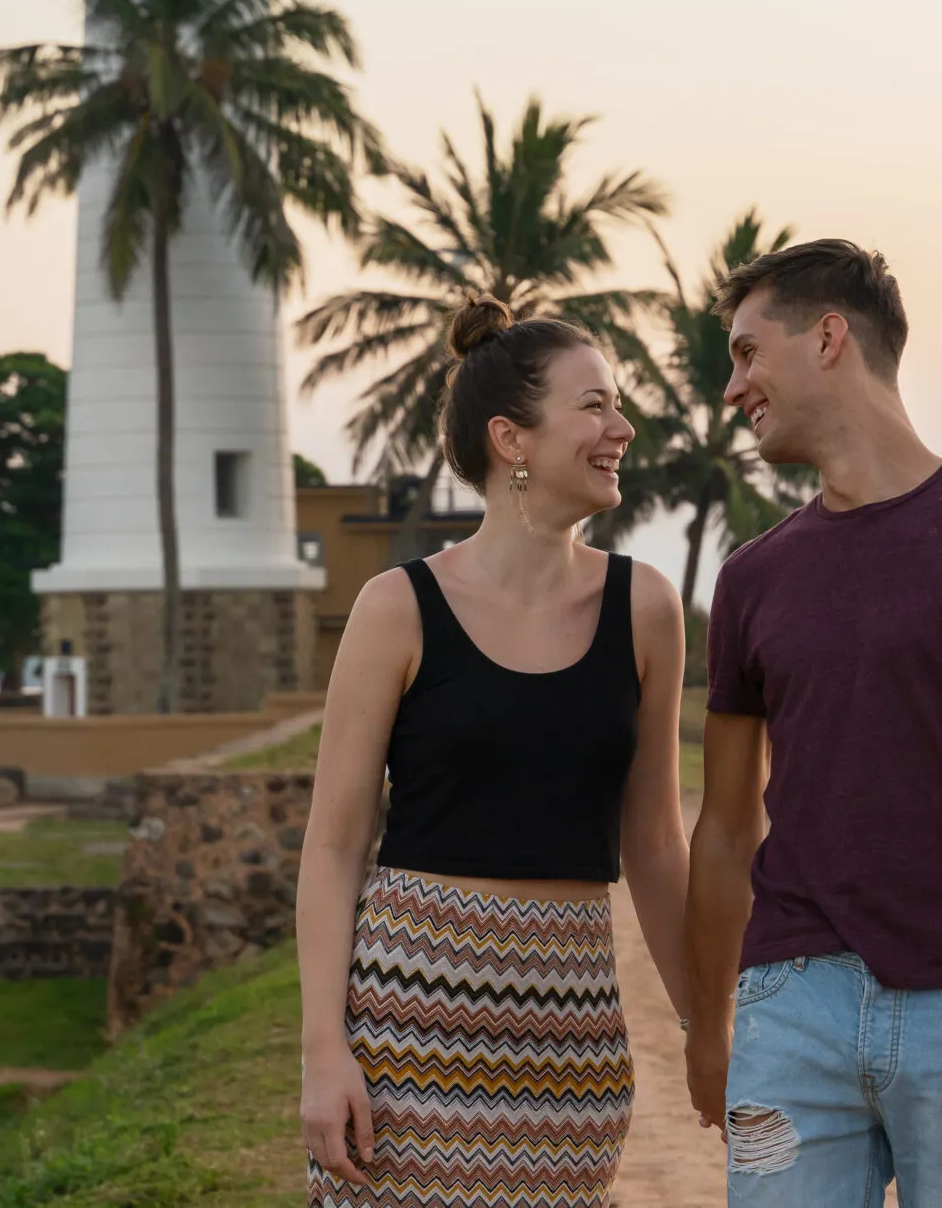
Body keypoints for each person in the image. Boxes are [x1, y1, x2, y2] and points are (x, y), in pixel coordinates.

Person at [683, 239, 942, 1208]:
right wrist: (708, 1027)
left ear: (828, 337)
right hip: (790, 1008)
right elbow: (727, 826)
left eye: (747, 353)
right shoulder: (751, 579)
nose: (732, 389)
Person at [297, 299, 693, 1205]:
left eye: (618, 404)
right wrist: (324, 1048)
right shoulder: (396, 608)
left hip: (574, 1037)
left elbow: (656, 844)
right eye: (594, 405)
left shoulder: (646, 608)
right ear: (511, 437)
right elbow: (334, 844)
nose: (622, 428)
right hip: (405, 1033)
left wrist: (700, 1022)